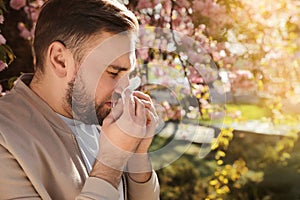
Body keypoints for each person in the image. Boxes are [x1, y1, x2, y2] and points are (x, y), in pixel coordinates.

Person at [0, 0, 160, 199]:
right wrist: (110, 162)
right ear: (60, 60)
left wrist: (137, 156)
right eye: (113, 72)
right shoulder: (5, 138)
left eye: (127, 73)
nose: (125, 88)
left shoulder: (101, 121)